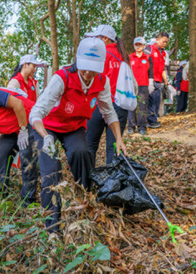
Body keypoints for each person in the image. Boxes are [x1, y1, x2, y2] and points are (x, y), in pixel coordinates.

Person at [29, 38, 127, 232]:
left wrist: (119, 139)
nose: (88, 73)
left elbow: (109, 112)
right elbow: (36, 112)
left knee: (82, 153)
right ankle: (52, 226)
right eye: (85, 67)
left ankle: (86, 200)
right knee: (52, 171)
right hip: (47, 127)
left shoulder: (102, 81)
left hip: (74, 126)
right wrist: (45, 136)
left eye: (93, 68)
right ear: (77, 61)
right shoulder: (62, 77)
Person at [84, 25, 130, 165]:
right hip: (120, 107)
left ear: (105, 39)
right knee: (114, 146)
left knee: (90, 144)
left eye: (96, 38)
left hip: (100, 104)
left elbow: (91, 79)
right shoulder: (124, 56)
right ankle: (112, 183)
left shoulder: (101, 55)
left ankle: (87, 182)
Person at [127, 37, 153, 136]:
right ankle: (131, 127)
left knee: (142, 107)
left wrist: (151, 83)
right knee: (131, 106)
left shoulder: (147, 57)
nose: (138, 46)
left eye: (140, 44)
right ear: (134, 45)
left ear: (143, 46)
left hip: (143, 85)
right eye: (136, 44)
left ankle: (142, 127)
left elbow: (151, 71)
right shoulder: (129, 57)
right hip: (131, 85)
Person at [147, 32, 170, 128]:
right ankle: (149, 121)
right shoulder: (149, 49)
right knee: (150, 101)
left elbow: (163, 68)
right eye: (163, 41)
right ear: (157, 40)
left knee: (157, 101)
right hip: (149, 79)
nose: (165, 43)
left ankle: (153, 120)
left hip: (158, 80)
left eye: (167, 42)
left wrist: (166, 81)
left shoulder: (164, 53)